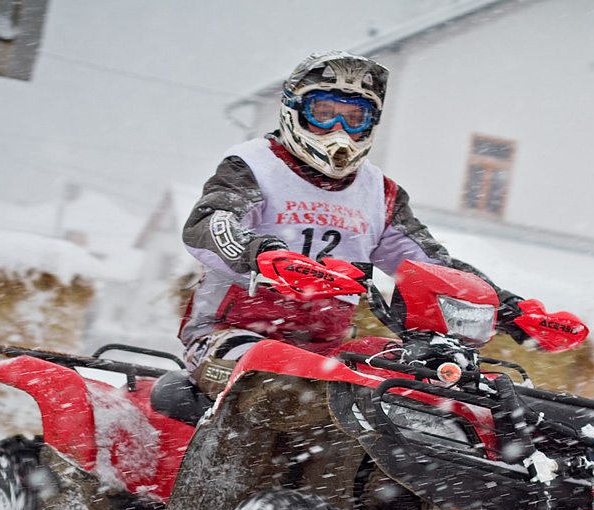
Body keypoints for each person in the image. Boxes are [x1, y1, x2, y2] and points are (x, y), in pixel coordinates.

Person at [179, 51, 545, 396]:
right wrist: (265, 255)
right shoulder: (254, 166)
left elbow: (434, 267)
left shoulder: (379, 193)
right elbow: (209, 223)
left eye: (355, 118)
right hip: (228, 335)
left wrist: (511, 308)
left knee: (417, 384)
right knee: (285, 386)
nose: (339, 130)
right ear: (295, 111)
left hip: (328, 350)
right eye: (324, 113)